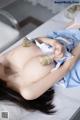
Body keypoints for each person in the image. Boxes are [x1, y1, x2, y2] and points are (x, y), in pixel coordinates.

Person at [0, 23, 80, 114]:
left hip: (62, 39)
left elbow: (33, 41)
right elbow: (66, 68)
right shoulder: (27, 91)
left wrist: (53, 42)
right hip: (73, 63)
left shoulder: (3, 58)